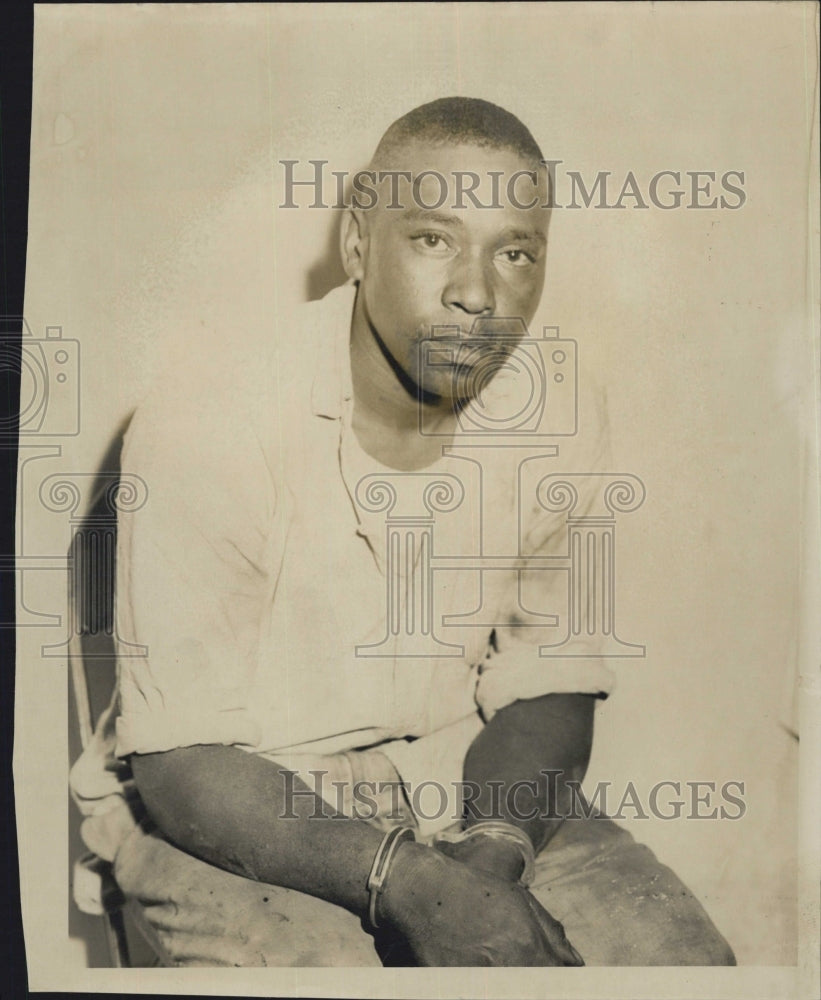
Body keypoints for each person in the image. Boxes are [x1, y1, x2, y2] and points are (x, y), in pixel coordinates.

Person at [70, 97, 736, 967]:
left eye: (514, 252)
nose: (475, 293)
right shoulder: (210, 414)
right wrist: (410, 884)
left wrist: (493, 850)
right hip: (236, 805)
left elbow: (549, 673)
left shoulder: (560, 409)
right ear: (357, 244)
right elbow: (180, 759)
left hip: (462, 782)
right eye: (433, 239)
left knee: (683, 967)